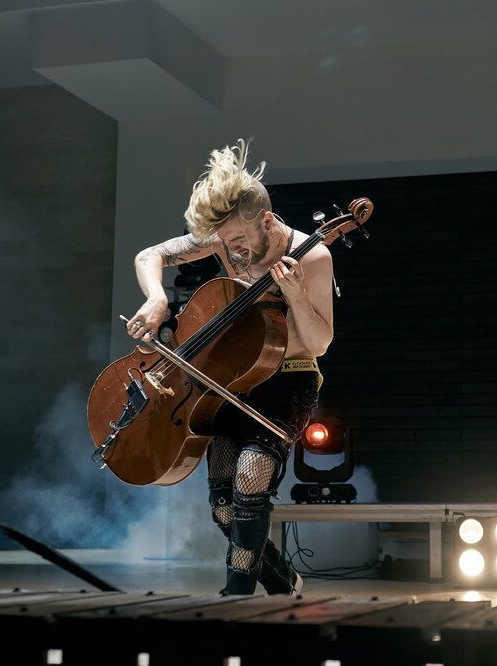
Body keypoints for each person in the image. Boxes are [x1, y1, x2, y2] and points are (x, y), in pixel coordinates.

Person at [126, 139, 334, 596]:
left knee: (251, 478)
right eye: (225, 242)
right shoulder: (223, 238)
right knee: (223, 507)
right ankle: (285, 583)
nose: (231, 251)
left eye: (239, 240)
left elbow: (319, 342)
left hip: (290, 379)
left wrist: (295, 295)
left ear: (267, 221)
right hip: (233, 380)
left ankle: (235, 598)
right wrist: (157, 298)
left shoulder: (312, 255)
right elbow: (149, 255)